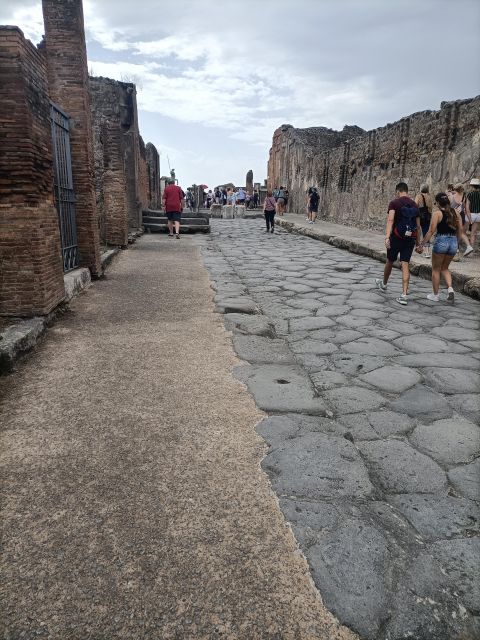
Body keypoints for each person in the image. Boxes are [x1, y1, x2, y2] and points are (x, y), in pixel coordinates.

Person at [375, 182, 421, 305]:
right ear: (407, 191)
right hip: (410, 239)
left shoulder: (394, 203)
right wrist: (418, 243)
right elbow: (418, 226)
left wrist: (386, 237)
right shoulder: (415, 206)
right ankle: (404, 294)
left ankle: (384, 284)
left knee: (390, 260)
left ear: (397, 191)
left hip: (396, 237)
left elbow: (390, 219)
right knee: (405, 264)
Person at [420, 192, 462, 302]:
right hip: (453, 242)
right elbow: (460, 230)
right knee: (445, 268)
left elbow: (431, 231)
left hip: (441, 242)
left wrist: (422, 244)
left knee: (436, 269)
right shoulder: (456, 213)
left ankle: (435, 295)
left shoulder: (437, 214)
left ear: (438, 203)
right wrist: (456, 243)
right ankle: (450, 289)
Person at [450, 184, 473, 258]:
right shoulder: (465, 198)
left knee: (452, 233)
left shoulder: (451, 196)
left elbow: (448, 207)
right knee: (459, 233)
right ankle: (464, 248)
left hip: (452, 216)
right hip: (461, 217)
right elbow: (467, 210)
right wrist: (470, 220)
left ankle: (455, 252)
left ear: (455, 189)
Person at [415, 184, 433, 257]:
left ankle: (418, 246)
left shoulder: (418, 196)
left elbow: (415, 205)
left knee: (418, 229)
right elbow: (431, 207)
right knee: (426, 232)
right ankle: (427, 252)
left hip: (419, 215)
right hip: (428, 215)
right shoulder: (429, 197)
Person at [465, 177, 480, 253]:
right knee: (473, 233)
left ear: (472, 185)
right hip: (479, 215)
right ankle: (471, 251)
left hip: (471, 214)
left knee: (462, 232)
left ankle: (460, 248)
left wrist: (470, 219)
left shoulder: (470, 194)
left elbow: (467, 208)